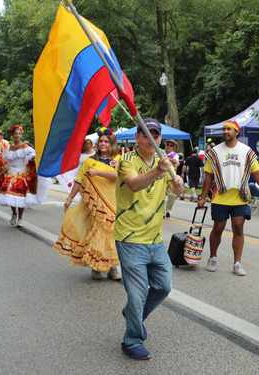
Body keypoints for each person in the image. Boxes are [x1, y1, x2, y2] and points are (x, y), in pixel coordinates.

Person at [113, 118, 184, 360]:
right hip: (130, 238)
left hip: (155, 239)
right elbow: (134, 185)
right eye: (145, 135)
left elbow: (177, 190)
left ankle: (133, 315)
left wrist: (179, 183)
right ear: (137, 138)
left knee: (163, 287)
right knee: (137, 293)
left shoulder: (163, 160)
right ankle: (132, 340)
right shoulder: (126, 161)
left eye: (155, 135)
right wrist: (158, 171)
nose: (150, 140)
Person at [198, 120, 259, 276]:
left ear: (236, 132)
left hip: (240, 198)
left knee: (238, 228)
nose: (225, 131)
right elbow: (209, 177)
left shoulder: (247, 151)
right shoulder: (214, 152)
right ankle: (212, 257)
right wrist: (203, 197)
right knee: (218, 229)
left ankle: (237, 263)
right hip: (220, 197)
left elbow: (257, 174)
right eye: (224, 129)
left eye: (229, 129)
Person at [53, 128, 121, 280]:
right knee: (95, 232)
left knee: (110, 233)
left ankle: (112, 267)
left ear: (112, 144)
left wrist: (98, 173)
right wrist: (69, 199)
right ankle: (95, 266)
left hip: (112, 202)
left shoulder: (118, 159)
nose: (103, 144)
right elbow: (79, 180)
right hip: (93, 203)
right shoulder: (90, 161)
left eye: (106, 141)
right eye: (101, 141)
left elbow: (120, 175)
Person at [0, 125, 51, 227]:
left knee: (21, 196)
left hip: (22, 173)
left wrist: (35, 159)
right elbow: (6, 159)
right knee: (9, 194)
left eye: (19, 133)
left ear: (21, 135)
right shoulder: (10, 148)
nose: (17, 135)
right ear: (13, 135)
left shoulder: (25, 147)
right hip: (11, 173)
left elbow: (30, 156)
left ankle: (20, 217)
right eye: (15, 133)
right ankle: (14, 213)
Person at [163, 139, 180, 218]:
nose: (168, 147)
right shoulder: (160, 151)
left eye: (171, 145)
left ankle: (167, 210)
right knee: (161, 194)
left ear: (173, 147)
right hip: (161, 175)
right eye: (167, 145)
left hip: (171, 176)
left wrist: (165, 157)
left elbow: (175, 161)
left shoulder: (175, 154)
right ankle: (162, 212)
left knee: (172, 195)